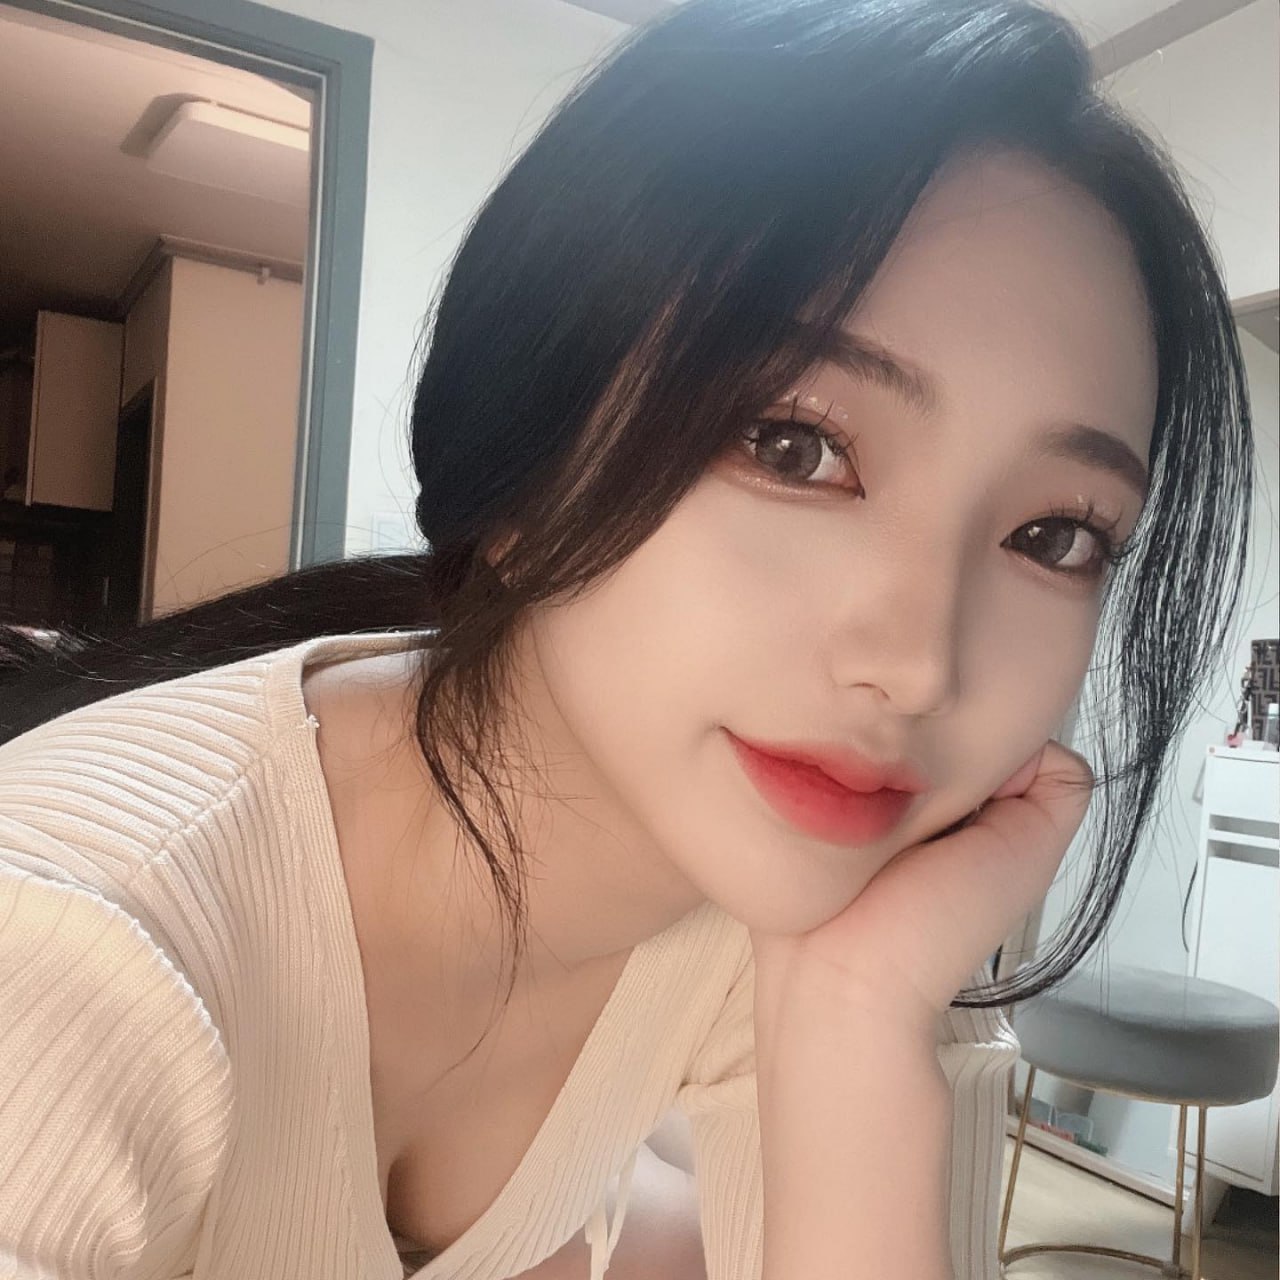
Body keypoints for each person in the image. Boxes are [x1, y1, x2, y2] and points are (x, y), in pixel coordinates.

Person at [0, 0, 1253, 1277]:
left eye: (1052, 534)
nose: (919, 666)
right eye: (793, 446)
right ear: (524, 459)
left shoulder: (781, 898)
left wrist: (855, 1019)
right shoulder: (68, 953)